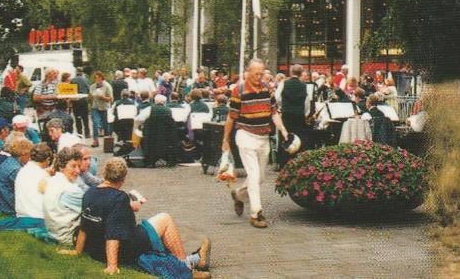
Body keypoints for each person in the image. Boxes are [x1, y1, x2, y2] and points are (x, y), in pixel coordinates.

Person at [71, 157, 211, 278]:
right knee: (165, 218)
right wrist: (112, 265)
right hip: (125, 247)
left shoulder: (90, 193)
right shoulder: (119, 198)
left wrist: (77, 252)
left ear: (104, 173)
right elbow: (112, 235)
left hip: (96, 249)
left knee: (153, 226)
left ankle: (193, 260)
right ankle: (185, 265)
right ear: (123, 178)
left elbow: (84, 227)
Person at [221, 59, 289, 228]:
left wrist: (282, 128)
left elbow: (274, 112)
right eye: (256, 74)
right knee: (253, 175)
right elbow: (231, 117)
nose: (259, 77)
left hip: (263, 137)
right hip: (245, 136)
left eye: (261, 73)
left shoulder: (267, 89)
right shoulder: (239, 90)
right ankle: (256, 213)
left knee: (260, 178)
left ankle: (238, 194)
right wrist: (225, 140)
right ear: (248, 73)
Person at [0, 142, 52, 231]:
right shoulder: (43, 176)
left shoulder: (22, 171)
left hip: (21, 215)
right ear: (47, 159)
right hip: (38, 216)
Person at [44, 146, 86, 245]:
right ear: (62, 166)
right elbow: (90, 210)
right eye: (73, 166)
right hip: (68, 238)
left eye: (79, 166)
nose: (78, 171)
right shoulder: (70, 189)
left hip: (53, 233)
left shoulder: (52, 181)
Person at [0, 137, 32, 215]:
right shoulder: (15, 169)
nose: (30, 158)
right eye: (29, 155)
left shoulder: (10, 161)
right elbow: (28, 190)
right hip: (6, 207)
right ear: (24, 154)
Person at [278, 64, 309, 168]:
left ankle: (283, 162)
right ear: (301, 73)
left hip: (286, 113)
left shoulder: (284, 83)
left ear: (291, 72)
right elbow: (307, 102)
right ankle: (297, 162)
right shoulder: (304, 85)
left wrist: (283, 106)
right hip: (299, 115)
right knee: (298, 137)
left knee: (285, 136)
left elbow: (277, 97)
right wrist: (304, 112)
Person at [89, 71, 112, 148]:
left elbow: (111, 99)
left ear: (102, 78)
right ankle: (95, 140)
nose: (97, 80)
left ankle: (107, 142)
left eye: (99, 78)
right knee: (95, 123)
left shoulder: (107, 86)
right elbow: (90, 97)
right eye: (96, 78)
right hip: (95, 107)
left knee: (106, 126)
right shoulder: (92, 86)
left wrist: (103, 97)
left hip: (105, 108)